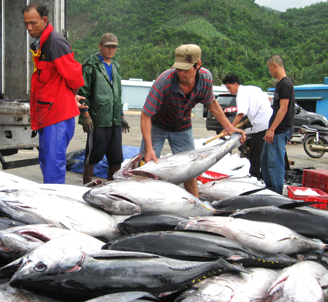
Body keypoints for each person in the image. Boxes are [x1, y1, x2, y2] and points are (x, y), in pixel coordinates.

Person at [140, 44, 245, 198]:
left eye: (186, 68)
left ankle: (195, 205)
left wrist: (229, 128)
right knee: (147, 167)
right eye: (178, 68)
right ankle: (142, 200)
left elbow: (211, 103)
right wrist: (149, 148)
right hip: (158, 124)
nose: (181, 72)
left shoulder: (206, 79)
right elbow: (145, 115)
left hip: (182, 126)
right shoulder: (164, 81)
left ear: (198, 65)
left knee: (190, 169)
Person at [22, 3, 85, 184]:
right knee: (47, 162)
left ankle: (54, 207)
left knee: (53, 167)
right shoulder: (41, 44)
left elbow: (75, 78)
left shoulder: (54, 42)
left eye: (33, 23)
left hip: (57, 116)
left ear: (44, 20)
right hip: (48, 115)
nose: (29, 28)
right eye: (26, 24)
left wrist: (68, 97)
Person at [78, 33, 131, 184]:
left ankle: (112, 187)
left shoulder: (115, 66)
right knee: (93, 153)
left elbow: (117, 94)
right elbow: (83, 93)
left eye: (113, 47)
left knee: (116, 156)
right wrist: (86, 115)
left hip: (114, 120)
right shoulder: (91, 66)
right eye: (108, 46)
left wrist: (121, 117)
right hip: (98, 119)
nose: (111, 49)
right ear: (100, 46)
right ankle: (87, 185)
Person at [222, 74, 273, 180]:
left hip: (262, 122)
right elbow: (268, 98)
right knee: (261, 150)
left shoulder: (241, 93)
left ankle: (255, 176)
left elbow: (240, 113)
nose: (229, 90)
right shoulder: (252, 88)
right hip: (268, 119)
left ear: (236, 84)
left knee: (256, 150)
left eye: (229, 87)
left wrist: (230, 128)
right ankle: (260, 174)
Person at [262, 55, 295, 194]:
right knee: (265, 160)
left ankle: (276, 193)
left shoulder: (285, 84)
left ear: (275, 66)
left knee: (274, 163)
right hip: (274, 129)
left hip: (279, 130)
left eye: (270, 69)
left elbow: (283, 109)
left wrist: (272, 129)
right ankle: (270, 188)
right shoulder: (280, 84)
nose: (270, 72)